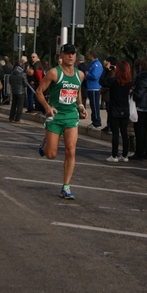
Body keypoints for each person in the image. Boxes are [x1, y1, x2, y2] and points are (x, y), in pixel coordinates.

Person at [35, 43, 87, 200]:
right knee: (51, 154)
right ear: (62, 56)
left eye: (73, 53)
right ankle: (45, 145)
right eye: (67, 53)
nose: (71, 56)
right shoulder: (53, 73)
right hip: (56, 116)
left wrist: (80, 106)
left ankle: (66, 187)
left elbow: (77, 91)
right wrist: (47, 107)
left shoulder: (80, 75)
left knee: (71, 150)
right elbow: (39, 92)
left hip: (71, 116)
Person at [101, 60, 132, 162]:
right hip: (125, 108)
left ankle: (114, 155)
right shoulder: (129, 82)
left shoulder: (114, 81)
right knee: (124, 133)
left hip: (114, 108)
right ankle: (125, 155)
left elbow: (101, 81)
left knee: (115, 133)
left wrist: (106, 69)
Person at [129, 58, 147, 161]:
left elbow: (138, 94)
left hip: (141, 106)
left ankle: (139, 152)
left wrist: (132, 92)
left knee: (139, 130)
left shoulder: (143, 78)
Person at [100, 56, 118, 133]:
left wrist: (102, 90)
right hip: (107, 95)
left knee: (110, 111)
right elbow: (101, 80)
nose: (105, 63)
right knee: (108, 110)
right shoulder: (107, 71)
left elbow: (108, 83)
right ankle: (109, 125)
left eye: (107, 61)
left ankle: (110, 125)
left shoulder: (113, 72)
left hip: (109, 95)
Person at [86, 49, 103, 129]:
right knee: (93, 105)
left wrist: (87, 74)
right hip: (91, 87)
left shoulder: (96, 65)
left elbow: (95, 76)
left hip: (94, 87)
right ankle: (94, 120)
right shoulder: (93, 64)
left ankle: (97, 121)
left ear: (92, 56)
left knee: (95, 106)